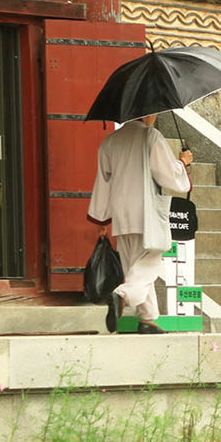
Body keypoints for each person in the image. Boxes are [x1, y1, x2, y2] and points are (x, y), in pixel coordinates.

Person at [87, 114, 193, 334]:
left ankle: (148, 319)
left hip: (120, 211)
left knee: (135, 264)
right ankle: (123, 294)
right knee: (152, 258)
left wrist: (101, 218)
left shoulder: (110, 141)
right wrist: (183, 162)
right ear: (146, 113)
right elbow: (166, 174)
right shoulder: (150, 137)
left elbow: (103, 180)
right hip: (146, 209)